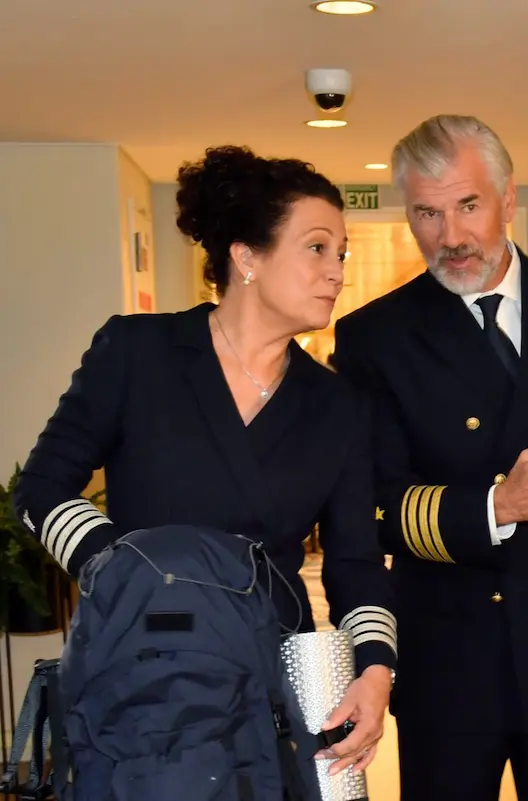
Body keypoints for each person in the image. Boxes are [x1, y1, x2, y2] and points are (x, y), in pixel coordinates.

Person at [13, 145, 397, 778]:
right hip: (144, 675)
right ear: (247, 257)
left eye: (342, 254)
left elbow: (356, 561)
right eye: (317, 248)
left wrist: (377, 669)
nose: (337, 272)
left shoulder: (339, 405)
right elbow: (42, 489)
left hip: (270, 684)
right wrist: (126, 575)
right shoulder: (138, 354)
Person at [330, 114, 528, 801]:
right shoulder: (374, 336)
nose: (452, 236)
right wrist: (498, 504)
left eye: (469, 205)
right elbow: (373, 506)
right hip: (449, 667)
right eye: (427, 214)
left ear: (509, 197)